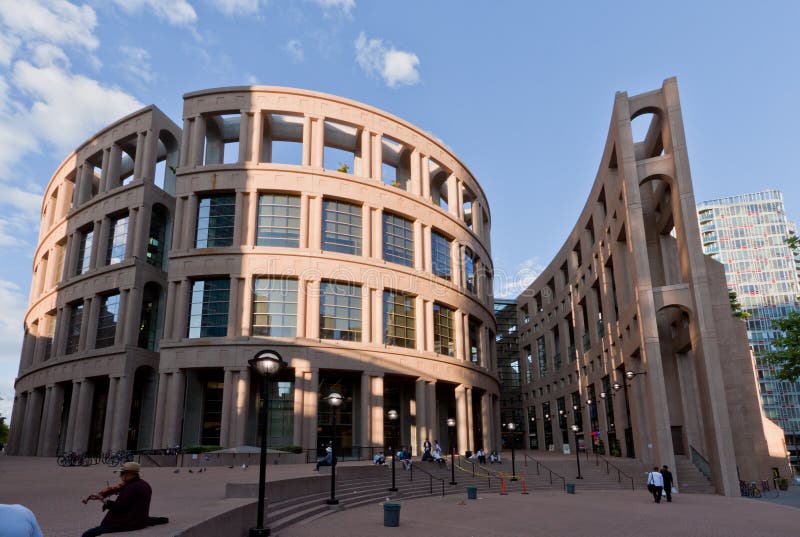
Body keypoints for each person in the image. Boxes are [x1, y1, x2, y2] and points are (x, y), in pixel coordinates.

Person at [82, 462, 152, 537]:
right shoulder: (144, 484)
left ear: (129, 474)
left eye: (122, 473)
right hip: (139, 519)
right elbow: (119, 490)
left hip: (128, 522)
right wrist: (101, 495)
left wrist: (103, 500)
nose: (120, 476)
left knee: (88, 534)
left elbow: (119, 507)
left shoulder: (131, 488)